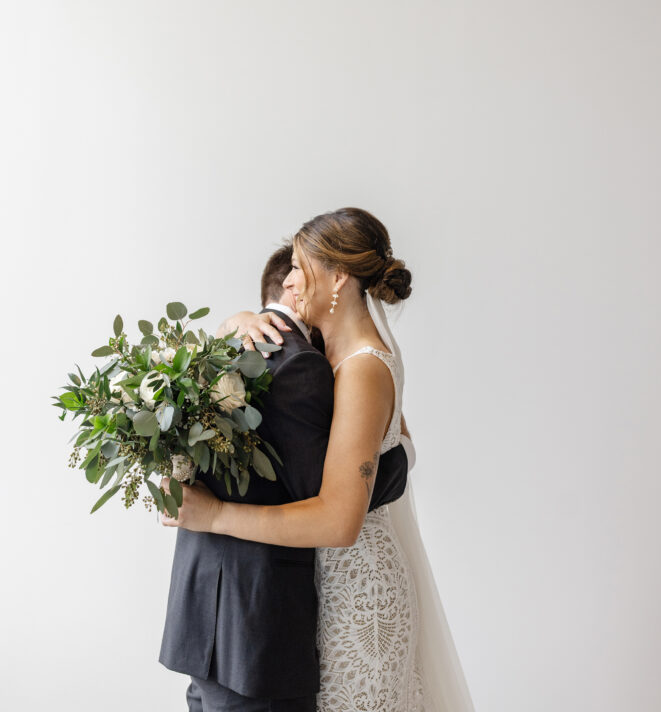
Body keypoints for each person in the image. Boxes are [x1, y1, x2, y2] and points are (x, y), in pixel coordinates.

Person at [162, 207, 476, 712]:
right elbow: (396, 445)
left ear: (339, 276)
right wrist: (235, 322)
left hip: (356, 594)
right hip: (318, 592)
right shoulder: (322, 353)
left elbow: (339, 518)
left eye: (297, 267)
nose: (288, 281)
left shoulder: (362, 367)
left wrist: (216, 515)